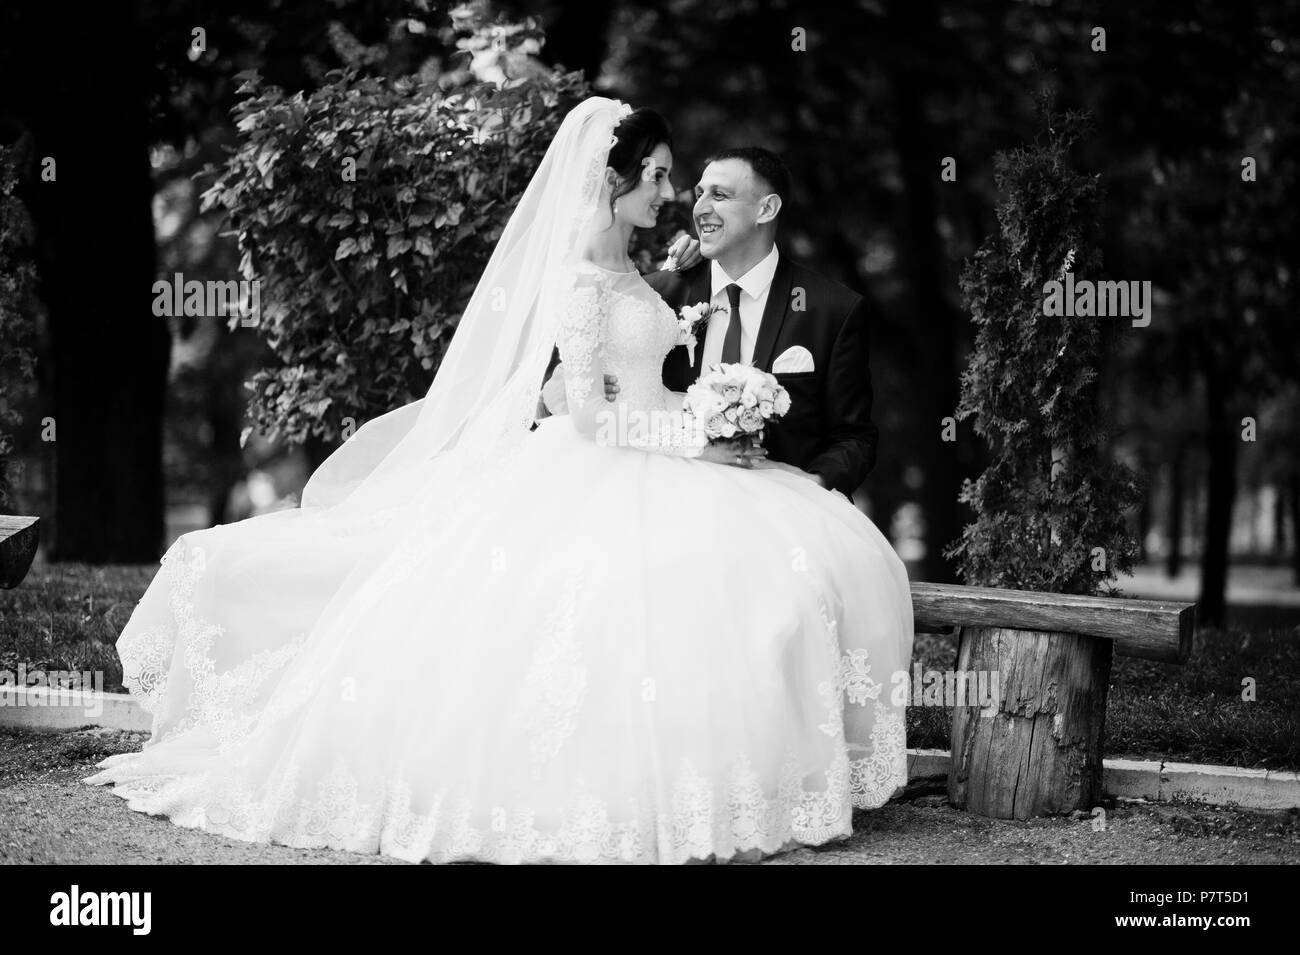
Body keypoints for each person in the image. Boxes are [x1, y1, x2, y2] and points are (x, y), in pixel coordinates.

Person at [84, 97, 914, 865]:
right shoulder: (596, 273)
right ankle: (621, 790)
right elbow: (588, 412)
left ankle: (740, 776)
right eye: (661, 176)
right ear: (613, 178)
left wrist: (701, 427)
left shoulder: (652, 271)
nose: (674, 192)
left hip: (669, 454)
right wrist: (691, 442)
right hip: (622, 459)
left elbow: (589, 384)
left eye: (682, 178)